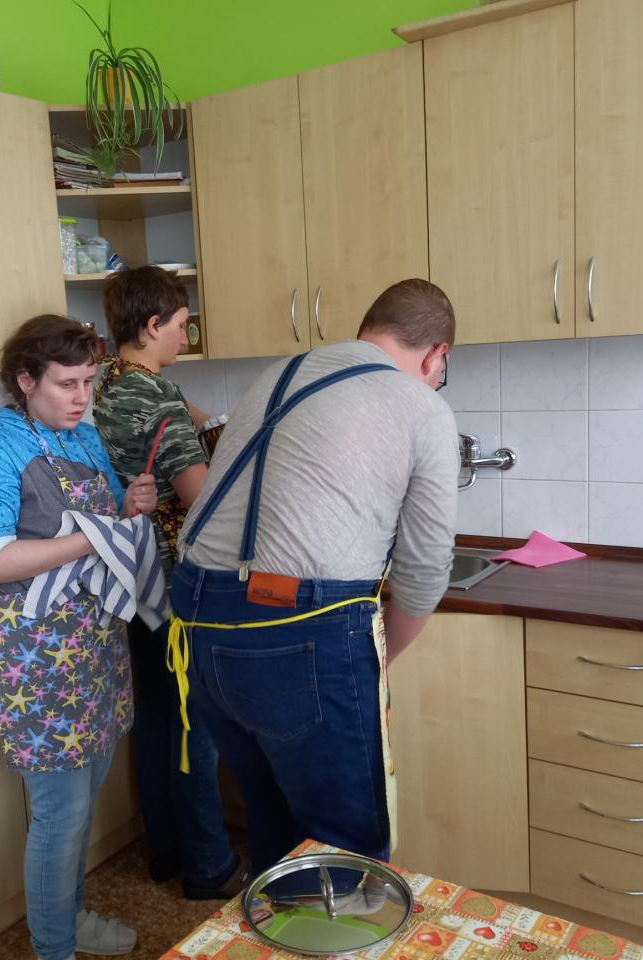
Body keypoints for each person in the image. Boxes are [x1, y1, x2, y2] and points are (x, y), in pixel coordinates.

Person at [168, 279, 460, 877]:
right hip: (299, 629)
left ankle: (282, 917)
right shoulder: (421, 405)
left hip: (199, 619)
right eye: (440, 372)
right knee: (343, 850)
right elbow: (425, 571)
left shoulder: (278, 374)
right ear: (437, 355)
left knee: (273, 822)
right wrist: (377, 658)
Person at [0, 315, 158, 960]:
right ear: (25, 380)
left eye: (89, 381)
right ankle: (54, 948)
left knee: (83, 800)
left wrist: (130, 507)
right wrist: (94, 537)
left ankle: (70, 918)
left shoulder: (82, 438)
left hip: (90, 643)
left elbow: (107, 517)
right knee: (60, 813)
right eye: (67, 384)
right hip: (28, 652)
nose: (82, 397)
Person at [91, 266, 248, 900]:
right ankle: (209, 866)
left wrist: (226, 422)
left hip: (124, 579)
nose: (186, 336)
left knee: (157, 715)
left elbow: (192, 413)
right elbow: (200, 500)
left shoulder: (108, 380)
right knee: (194, 723)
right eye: (181, 325)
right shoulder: (154, 399)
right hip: (172, 579)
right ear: (153, 325)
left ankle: (166, 851)